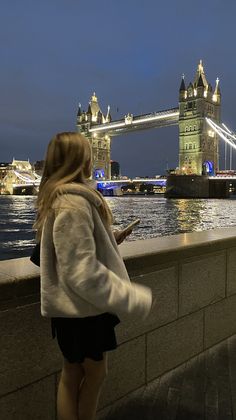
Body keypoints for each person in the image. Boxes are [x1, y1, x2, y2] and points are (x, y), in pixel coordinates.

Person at [34, 132, 152, 420]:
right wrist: (131, 296)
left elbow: (73, 248)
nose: (94, 158)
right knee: (93, 374)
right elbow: (81, 271)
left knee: (72, 373)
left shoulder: (64, 199)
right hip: (83, 311)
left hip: (73, 309)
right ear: (78, 160)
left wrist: (109, 239)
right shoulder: (73, 204)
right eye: (89, 152)